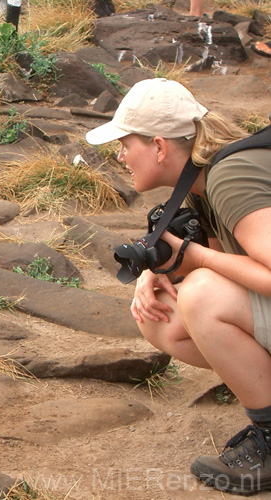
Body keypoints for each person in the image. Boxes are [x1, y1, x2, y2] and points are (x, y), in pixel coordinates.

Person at [86, 78, 271, 496]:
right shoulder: (204, 181)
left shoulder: (230, 176)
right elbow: (238, 261)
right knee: (164, 317)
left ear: (159, 146)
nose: (119, 156)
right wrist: (162, 271)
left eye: (124, 144)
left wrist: (198, 260)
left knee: (202, 294)